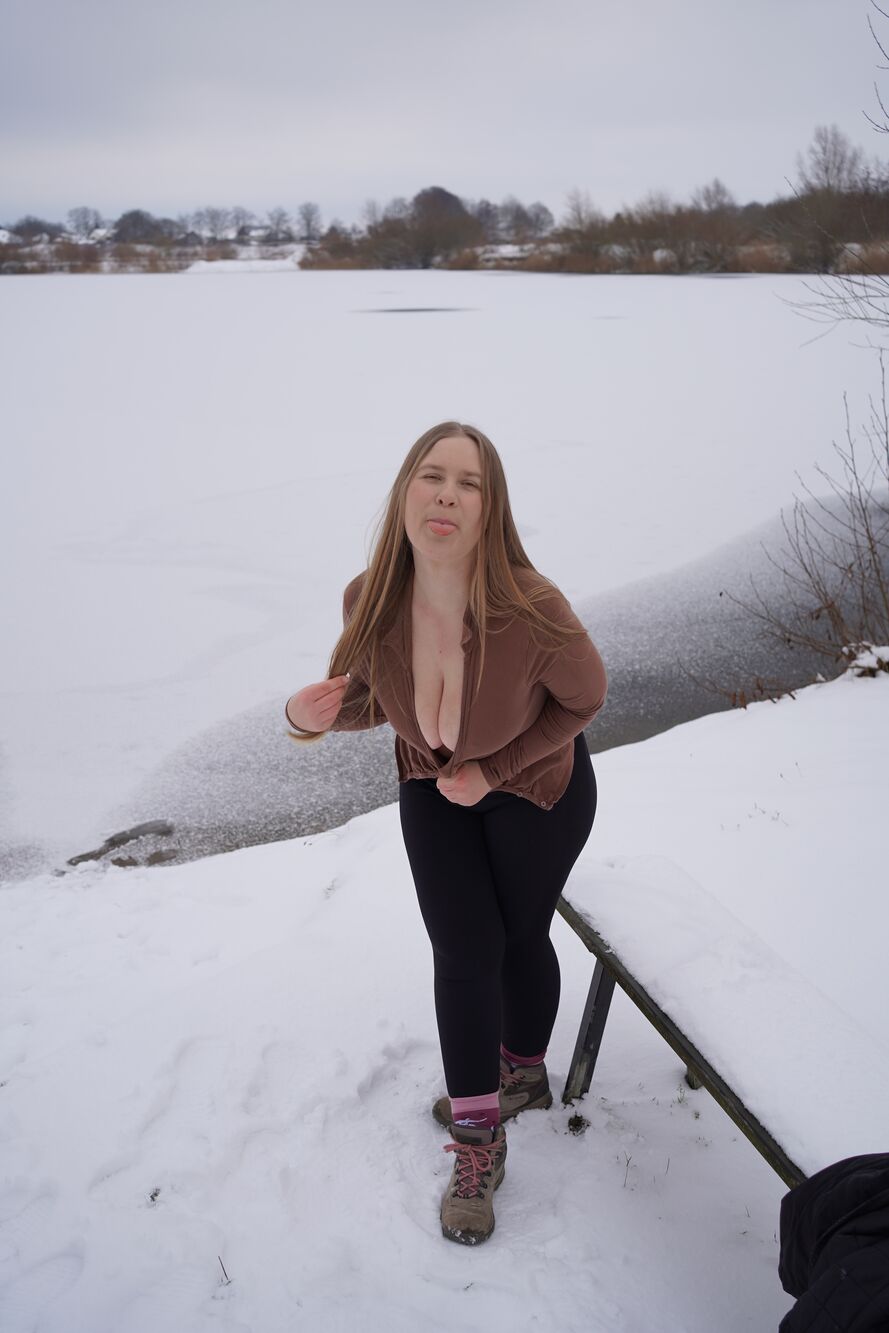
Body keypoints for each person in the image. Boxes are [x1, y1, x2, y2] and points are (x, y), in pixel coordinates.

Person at [285, 421, 607, 1246]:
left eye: (469, 483)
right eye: (432, 475)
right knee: (464, 952)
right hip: (430, 785)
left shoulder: (531, 607)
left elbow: (584, 700)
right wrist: (311, 715)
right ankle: (477, 1139)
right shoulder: (368, 597)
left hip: (535, 790)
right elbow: (374, 696)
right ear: (405, 490)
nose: (447, 494)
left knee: (519, 936)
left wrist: (495, 771)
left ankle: (523, 1073)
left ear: (489, 509)